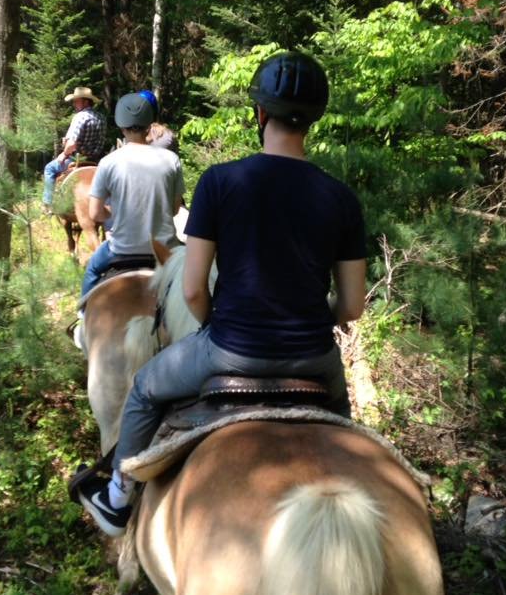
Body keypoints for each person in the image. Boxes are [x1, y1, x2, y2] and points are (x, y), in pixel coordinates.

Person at [78, 51, 367, 537]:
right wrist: (317, 321)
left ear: (260, 113)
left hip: (230, 350)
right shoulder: (342, 198)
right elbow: (352, 306)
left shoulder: (220, 181)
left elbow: (193, 290)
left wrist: (217, 325)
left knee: (144, 388)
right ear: (314, 118)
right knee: (345, 433)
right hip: (315, 360)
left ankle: (117, 498)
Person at [79, 91, 184, 299]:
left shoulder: (108, 162)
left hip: (120, 250)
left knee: (92, 270)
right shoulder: (171, 159)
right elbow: (174, 210)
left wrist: (114, 213)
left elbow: (95, 213)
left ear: (121, 125)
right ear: (150, 124)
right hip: (165, 250)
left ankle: (83, 313)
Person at [42, 86, 107, 209]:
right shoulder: (101, 118)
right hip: (95, 160)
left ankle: (47, 204)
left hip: (76, 159)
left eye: (76, 101)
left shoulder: (80, 116)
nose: (74, 104)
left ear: (85, 102)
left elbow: (72, 144)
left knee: (49, 168)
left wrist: (64, 154)